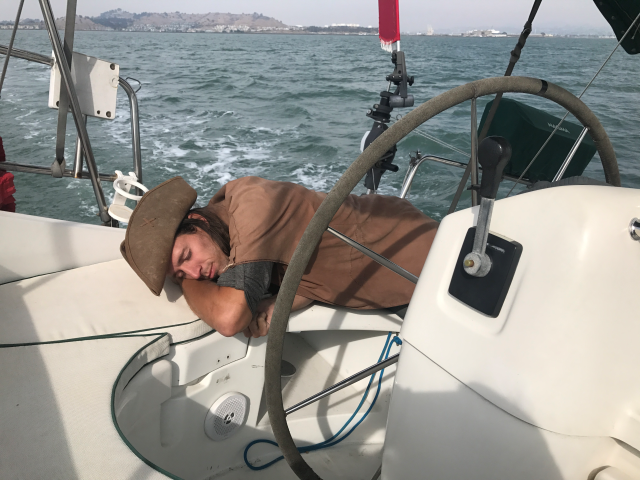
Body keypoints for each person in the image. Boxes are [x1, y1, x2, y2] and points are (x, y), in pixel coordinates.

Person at [121, 176, 438, 338]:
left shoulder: (252, 206)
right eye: (181, 274)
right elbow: (311, 260)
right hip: (390, 282)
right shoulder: (223, 232)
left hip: (426, 262)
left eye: (187, 255)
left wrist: (184, 282)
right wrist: (282, 301)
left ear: (198, 221)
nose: (196, 272)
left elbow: (229, 319)